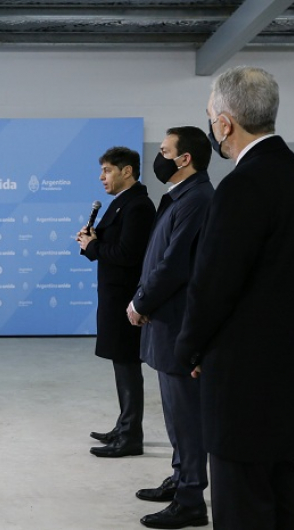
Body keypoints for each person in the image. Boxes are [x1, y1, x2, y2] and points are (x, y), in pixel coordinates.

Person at [175, 66, 294, 529]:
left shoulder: (241, 186)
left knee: (243, 507)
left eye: (210, 116)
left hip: (245, 387)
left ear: (224, 123)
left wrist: (190, 347)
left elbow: (213, 285)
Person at [126, 127, 214, 529]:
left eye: (164, 151)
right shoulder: (179, 197)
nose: (158, 158)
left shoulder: (197, 199)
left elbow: (175, 264)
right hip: (165, 321)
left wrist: (141, 301)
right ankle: (181, 478)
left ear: (184, 159)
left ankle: (192, 496)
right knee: (175, 414)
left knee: (186, 416)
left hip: (177, 322)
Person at [76, 146, 156, 458]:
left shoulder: (138, 206)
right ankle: (124, 426)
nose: (102, 177)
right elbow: (111, 245)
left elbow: (128, 255)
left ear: (127, 171)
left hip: (125, 300)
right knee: (120, 363)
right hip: (113, 297)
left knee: (127, 364)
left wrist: (94, 246)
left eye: (108, 170)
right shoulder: (121, 204)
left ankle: (130, 435)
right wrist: (91, 241)